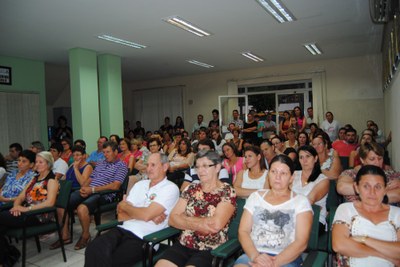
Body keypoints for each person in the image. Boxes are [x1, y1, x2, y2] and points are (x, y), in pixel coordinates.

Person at [84, 153, 180, 267]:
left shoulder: (170, 188)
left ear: (165, 167)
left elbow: (142, 214)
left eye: (153, 165)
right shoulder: (140, 184)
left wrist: (128, 208)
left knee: (112, 260)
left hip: (145, 238)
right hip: (123, 229)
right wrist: (146, 213)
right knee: (93, 248)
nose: (148, 169)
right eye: (147, 165)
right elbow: (121, 215)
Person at [155, 150, 236, 267]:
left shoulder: (227, 191)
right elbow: (172, 219)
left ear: (217, 167)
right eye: (197, 167)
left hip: (210, 248)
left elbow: (215, 226)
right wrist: (203, 223)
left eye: (205, 166)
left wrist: (185, 218)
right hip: (184, 243)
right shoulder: (191, 189)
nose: (200, 170)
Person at [234, 154, 313, 267]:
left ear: (291, 177)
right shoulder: (255, 197)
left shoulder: (301, 202)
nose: (277, 177)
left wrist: (273, 263)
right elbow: (243, 231)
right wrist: (256, 257)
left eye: (283, 173)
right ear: (268, 174)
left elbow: (301, 242)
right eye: (273, 172)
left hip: (286, 258)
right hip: (254, 254)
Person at [332, 165, 400, 266]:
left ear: (385, 189)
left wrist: (364, 239)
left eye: (378, 187)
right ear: (356, 188)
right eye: (366, 186)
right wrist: (385, 255)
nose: (372, 192)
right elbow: (339, 245)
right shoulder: (346, 209)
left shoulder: (397, 214)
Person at [67, 141, 128, 250]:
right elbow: (90, 178)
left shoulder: (121, 165)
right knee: (64, 202)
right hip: (90, 190)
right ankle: (64, 235)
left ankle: (85, 236)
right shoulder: (101, 163)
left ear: (115, 152)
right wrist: (84, 188)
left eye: (108, 152)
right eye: (104, 152)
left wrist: (93, 190)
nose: (105, 154)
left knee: (82, 208)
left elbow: (115, 186)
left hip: (104, 195)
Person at [0, 151, 59, 262]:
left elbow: (50, 203)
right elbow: (21, 197)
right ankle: (6, 258)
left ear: (49, 164)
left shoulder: (51, 180)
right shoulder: (34, 178)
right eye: (36, 162)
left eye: (41, 162)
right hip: (25, 212)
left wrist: (26, 209)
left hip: (40, 215)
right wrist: (16, 206)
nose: (37, 164)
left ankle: (8, 257)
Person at [292, 145, 329, 233]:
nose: (304, 160)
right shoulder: (294, 175)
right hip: (291, 215)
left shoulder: (323, 179)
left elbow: (309, 201)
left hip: (315, 218)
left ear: (315, 158)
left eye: (308, 156)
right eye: (301, 157)